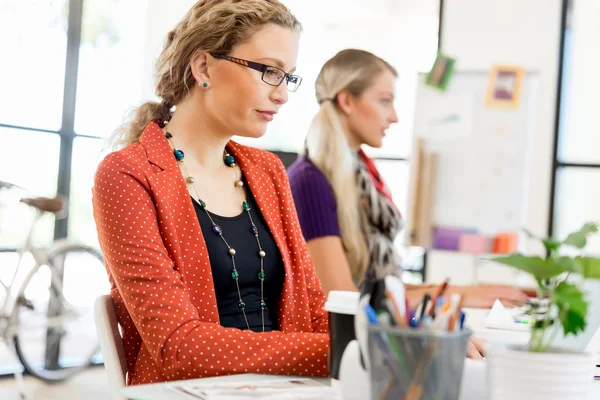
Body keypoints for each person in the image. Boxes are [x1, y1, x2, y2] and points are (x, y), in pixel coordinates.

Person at [93, 0, 329, 385]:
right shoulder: (127, 175)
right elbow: (178, 347)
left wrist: (390, 345)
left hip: (288, 388)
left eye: (289, 77)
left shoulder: (267, 171)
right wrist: (334, 353)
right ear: (204, 67)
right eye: (270, 72)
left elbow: (313, 308)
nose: (283, 94)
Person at [287, 49, 529, 357]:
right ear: (347, 101)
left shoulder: (357, 174)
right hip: (344, 351)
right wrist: (437, 315)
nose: (394, 116)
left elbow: (377, 285)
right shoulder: (311, 181)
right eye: (385, 100)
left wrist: (461, 294)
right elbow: (342, 298)